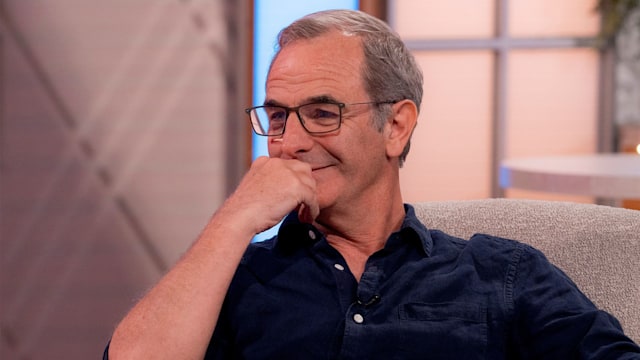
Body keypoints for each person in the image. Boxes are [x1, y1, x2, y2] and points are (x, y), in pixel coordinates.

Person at [105, 9, 640, 359]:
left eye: (322, 112)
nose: (290, 143)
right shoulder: (234, 281)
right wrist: (234, 220)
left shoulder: (500, 275)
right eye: (278, 117)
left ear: (397, 126)